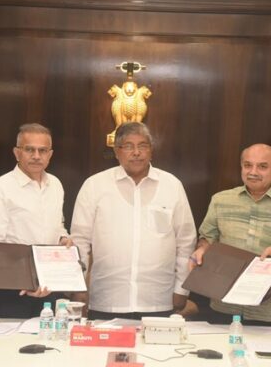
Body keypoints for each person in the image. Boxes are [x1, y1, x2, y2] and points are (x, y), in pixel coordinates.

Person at [70, 122, 197, 320]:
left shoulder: (172, 185)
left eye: (143, 146)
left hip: (158, 299)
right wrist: (77, 287)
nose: (136, 152)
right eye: (128, 146)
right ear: (117, 151)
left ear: (151, 150)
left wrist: (182, 289)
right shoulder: (94, 185)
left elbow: (186, 241)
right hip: (107, 299)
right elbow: (80, 241)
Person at [190, 144, 271, 330]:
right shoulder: (221, 200)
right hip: (226, 303)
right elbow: (207, 237)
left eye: (262, 166)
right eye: (248, 165)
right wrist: (202, 250)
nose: (253, 172)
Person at [0, 123, 70, 318]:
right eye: (29, 150)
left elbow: (57, 225)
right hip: (12, 291)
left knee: (51, 337)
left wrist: (63, 238)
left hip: (49, 286)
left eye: (42, 150)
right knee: (14, 339)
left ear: (50, 154)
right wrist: (26, 282)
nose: (36, 156)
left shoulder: (55, 185)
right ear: (17, 153)